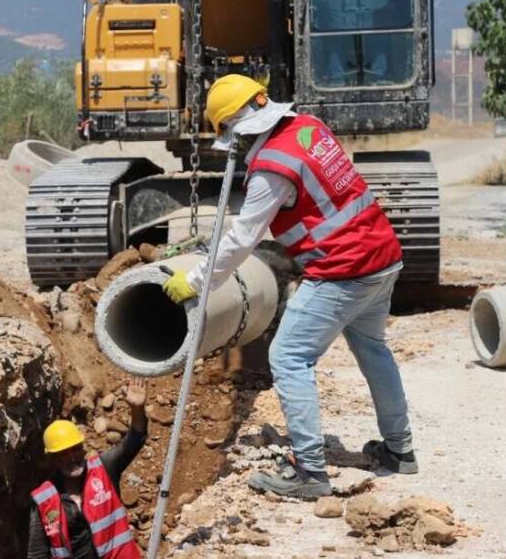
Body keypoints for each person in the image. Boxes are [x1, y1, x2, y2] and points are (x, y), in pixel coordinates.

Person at [161, 74, 416, 499]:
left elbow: (243, 239)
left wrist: (196, 281)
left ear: (236, 129)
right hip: (382, 256)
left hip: (343, 268)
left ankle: (310, 472)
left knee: (289, 356)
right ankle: (400, 449)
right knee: (373, 349)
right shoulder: (307, 128)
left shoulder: (271, 169)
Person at [27, 379, 148, 559]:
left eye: (75, 449)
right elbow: (37, 554)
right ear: (52, 459)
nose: (72, 457)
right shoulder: (44, 500)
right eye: (63, 453)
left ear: (83, 447)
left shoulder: (104, 468)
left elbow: (135, 440)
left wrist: (137, 409)